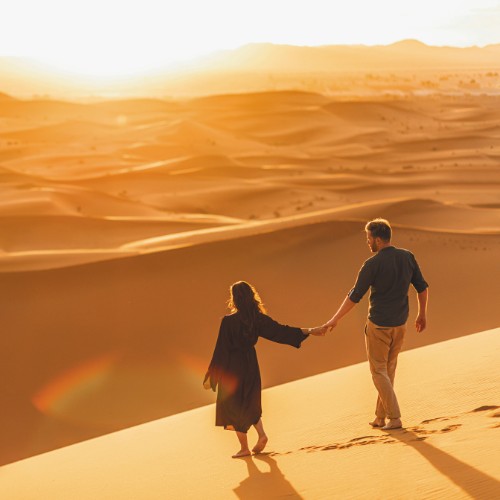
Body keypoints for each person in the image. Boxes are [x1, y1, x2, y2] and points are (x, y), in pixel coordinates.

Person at [324, 218, 428, 430]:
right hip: (400, 324)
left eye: (369, 238)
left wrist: (335, 319)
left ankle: (394, 417)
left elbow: (355, 295)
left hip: (379, 325)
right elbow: (422, 288)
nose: (367, 242)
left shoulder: (372, 264)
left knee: (379, 371)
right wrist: (422, 314)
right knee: (388, 371)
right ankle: (380, 417)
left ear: (378, 239)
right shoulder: (407, 257)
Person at [204, 280, 326, 458]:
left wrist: (212, 376)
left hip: (232, 367)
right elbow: (280, 332)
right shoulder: (257, 319)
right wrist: (310, 330)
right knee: (250, 401)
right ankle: (261, 434)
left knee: (233, 406)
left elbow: (221, 350)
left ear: (234, 299)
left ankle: (244, 448)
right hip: (250, 364)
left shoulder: (228, 322)